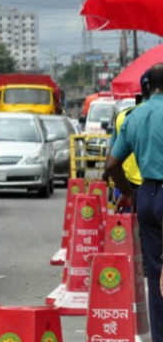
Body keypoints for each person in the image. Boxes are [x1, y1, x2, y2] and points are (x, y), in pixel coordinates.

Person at [106, 63, 163, 341]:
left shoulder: (134, 116)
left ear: (149, 88)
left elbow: (112, 164)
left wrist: (127, 192)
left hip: (147, 199)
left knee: (155, 274)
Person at [106, 70, 151, 212]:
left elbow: (112, 155)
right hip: (155, 188)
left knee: (126, 232)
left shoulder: (123, 116)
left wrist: (114, 184)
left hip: (126, 187)